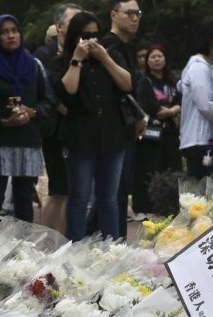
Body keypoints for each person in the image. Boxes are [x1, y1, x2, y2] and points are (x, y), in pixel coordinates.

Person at [55, 11, 132, 240]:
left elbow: (127, 84)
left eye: (94, 35)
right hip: (80, 139)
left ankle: (111, 248)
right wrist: (77, 59)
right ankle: (75, 247)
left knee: (108, 198)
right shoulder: (64, 61)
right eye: (84, 35)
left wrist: (105, 58)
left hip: (112, 136)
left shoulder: (111, 55)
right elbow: (68, 92)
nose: (90, 40)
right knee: (79, 198)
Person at [0, 15, 54, 224]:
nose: (11, 36)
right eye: (4, 32)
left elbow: (48, 101)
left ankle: (23, 243)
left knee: (24, 199)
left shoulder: (34, 65)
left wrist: (32, 112)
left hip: (27, 141)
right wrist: (4, 121)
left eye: (14, 30)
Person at [36, 3, 82, 235]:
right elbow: (47, 91)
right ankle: (47, 241)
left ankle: (64, 241)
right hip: (56, 129)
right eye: (73, 21)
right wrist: (65, 109)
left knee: (75, 191)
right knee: (59, 190)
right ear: (59, 26)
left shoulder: (86, 52)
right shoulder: (45, 54)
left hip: (80, 130)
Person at [101, 0, 141, 239]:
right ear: (114, 14)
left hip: (126, 127)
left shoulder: (127, 46)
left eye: (138, 13)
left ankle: (118, 242)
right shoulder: (108, 45)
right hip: (111, 128)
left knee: (121, 190)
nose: (135, 18)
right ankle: (112, 244)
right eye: (129, 13)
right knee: (112, 192)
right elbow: (124, 87)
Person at [133, 44, 182, 215]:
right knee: (150, 170)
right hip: (152, 135)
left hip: (171, 133)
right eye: (152, 57)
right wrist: (172, 111)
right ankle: (147, 208)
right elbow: (148, 104)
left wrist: (173, 110)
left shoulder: (172, 81)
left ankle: (171, 206)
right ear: (147, 61)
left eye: (159, 56)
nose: (156, 59)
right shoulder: (145, 81)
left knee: (172, 168)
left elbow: (180, 100)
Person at [179, 17, 213, 179]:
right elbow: (207, 106)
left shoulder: (211, 68)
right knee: (202, 190)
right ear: (210, 37)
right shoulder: (199, 68)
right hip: (201, 140)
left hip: (210, 139)